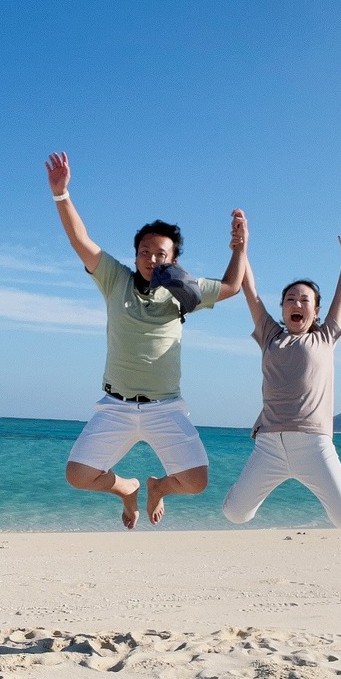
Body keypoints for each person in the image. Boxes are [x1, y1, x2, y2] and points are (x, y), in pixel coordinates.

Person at [45, 151, 244, 529]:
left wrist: (239, 246)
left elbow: (233, 285)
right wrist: (61, 194)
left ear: (174, 259)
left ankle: (157, 487)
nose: (152, 259)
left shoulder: (185, 292)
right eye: (145, 252)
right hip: (115, 406)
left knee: (196, 482)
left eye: (160, 254)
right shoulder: (115, 279)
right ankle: (127, 488)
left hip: (165, 407)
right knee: (78, 475)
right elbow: (80, 239)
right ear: (135, 255)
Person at [222, 209, 341, 530]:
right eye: (290, 299)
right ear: (283, 308)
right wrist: (242, 245)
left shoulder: (325, 337)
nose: (296, 304)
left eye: (304, 300)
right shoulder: (270, 335)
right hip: (269, 445)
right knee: (235, 513)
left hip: (314, 444)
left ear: (316, 311)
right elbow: (250, 290)